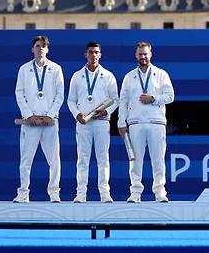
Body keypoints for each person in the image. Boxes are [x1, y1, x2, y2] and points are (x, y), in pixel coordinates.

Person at [118, 42, 174, 203]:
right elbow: (123, 100)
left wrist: (153, 99)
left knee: (158, 160)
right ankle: (135, 193)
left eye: (145, 54)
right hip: (135, 123)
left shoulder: (161, 74)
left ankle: (160, 192)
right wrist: (122, 122)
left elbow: (170, 96)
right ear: (136, 55)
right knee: (135, 160)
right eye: (140, 54)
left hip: (156, 123)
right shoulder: (129, 77)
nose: (143, 57)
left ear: (151, 54)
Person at [13, 35, 65, 203]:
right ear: (32, 49)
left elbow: (60, 95)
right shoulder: (24, 69)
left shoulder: (56, 69)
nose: (40, 48)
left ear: (47, 49)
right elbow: (19, 93)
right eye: (37, 46)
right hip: (30, 123)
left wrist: (50, 115)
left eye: (43, 46)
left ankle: (54, 193)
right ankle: (23, 193)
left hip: (50, 122)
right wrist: (28, 115)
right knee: (26, 160)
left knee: (54, 160)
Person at [67, 42, 119, 203]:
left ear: (100, 54)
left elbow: (116, 100)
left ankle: (105, 193)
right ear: (85, 54)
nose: (93, 55)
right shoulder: (77, 76)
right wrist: (77, 115)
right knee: (82, 158)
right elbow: (70, 100)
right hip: (84, 123)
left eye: (96, 52)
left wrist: (106, 111)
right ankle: (81, 193)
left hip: (102, 122)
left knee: (103, 158)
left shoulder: (108, 75)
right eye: (90, 52)